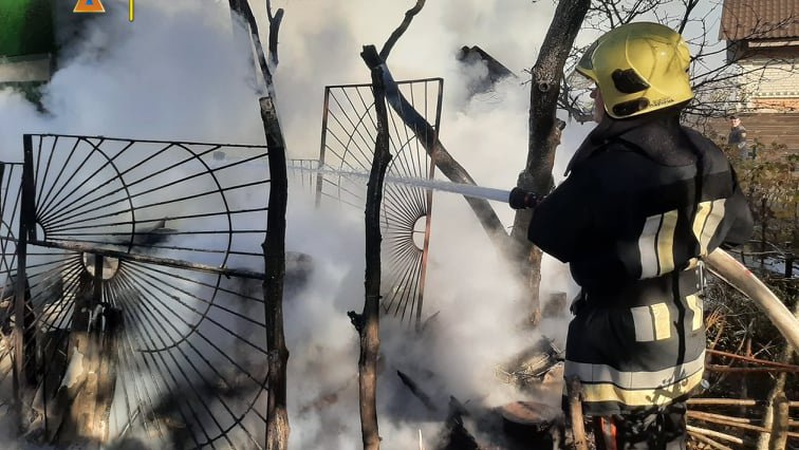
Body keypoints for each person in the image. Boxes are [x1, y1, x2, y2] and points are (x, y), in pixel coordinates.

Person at [509, 22, 753, 449]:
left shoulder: (608, 168)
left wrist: (540, 205)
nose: (593, 97)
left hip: (618, 358)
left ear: (628, 91)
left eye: (599, 87)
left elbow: (550, 233)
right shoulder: (706, 155)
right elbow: (738, 232)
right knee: (666, 440)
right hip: (682, 340)